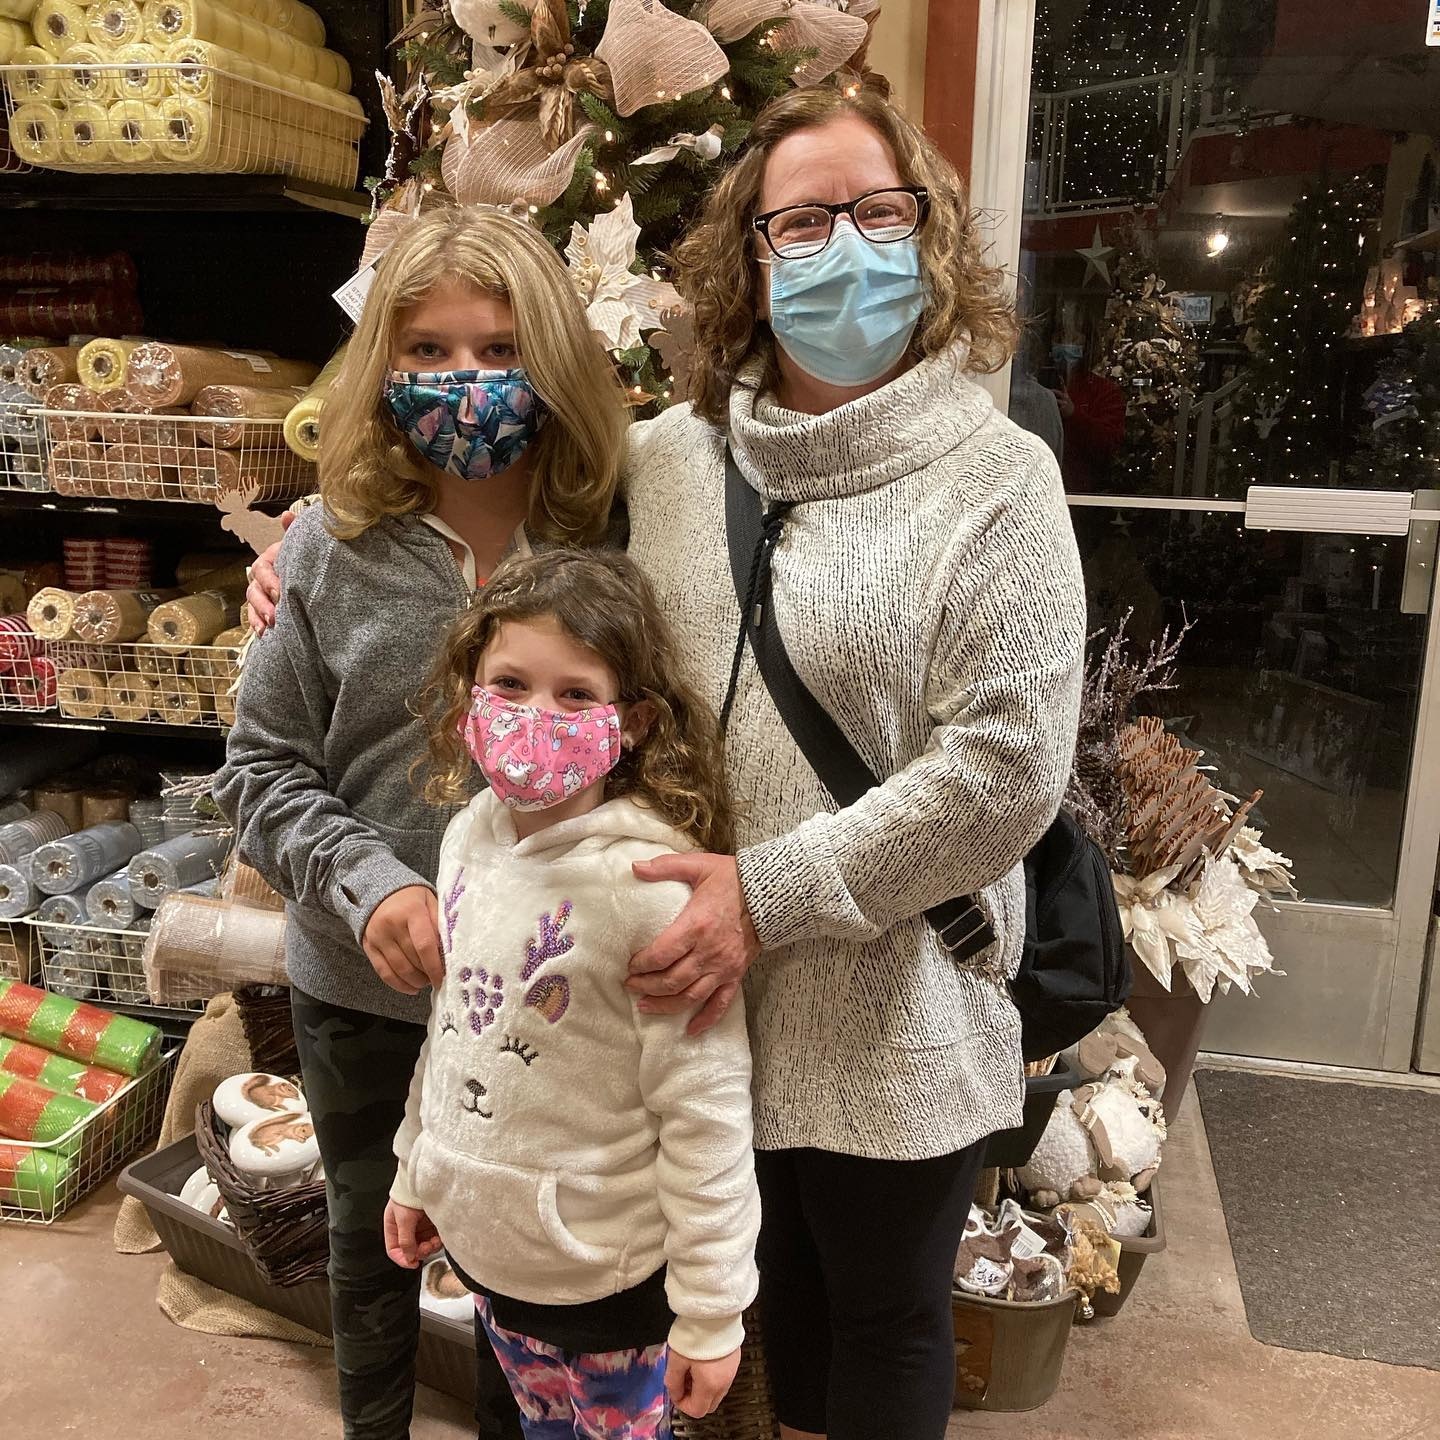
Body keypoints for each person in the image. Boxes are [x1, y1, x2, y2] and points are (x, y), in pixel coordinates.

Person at [245, 82, 1087, 1440]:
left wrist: (769, 895)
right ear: (748, 259)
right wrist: (303, 533)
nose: (843, 248)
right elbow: (489, 510)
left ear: (928, 234)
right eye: (799, 222)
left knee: (874, 1337)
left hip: (885, 1003)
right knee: (725, 1343)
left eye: (877, 212)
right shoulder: (671, 461)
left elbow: (1003, 768)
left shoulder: (998, 479)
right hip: (671, 994)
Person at [213, 206, 628, 1440]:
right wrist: (365, 885)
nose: (465, 383)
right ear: (382, 366)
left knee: (524, 1254)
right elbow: (263, 764)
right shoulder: (332, 550)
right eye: (429, 351)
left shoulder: (613, 533)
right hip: (362, 984)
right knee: (366, 1240)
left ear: (551, 356)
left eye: (497, 348)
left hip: (550, 982)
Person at [383, 549, 760, 1438]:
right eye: (508, 684)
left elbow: (704, 1111)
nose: (534, 716)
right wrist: (418, 1171)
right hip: (495, 1260)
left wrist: (711, 1312)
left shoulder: (650, 889)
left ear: (631, 721)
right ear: (468, 692)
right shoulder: (468, 840)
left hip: (606, 1279)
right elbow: (453, 1030)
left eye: (575, 695)